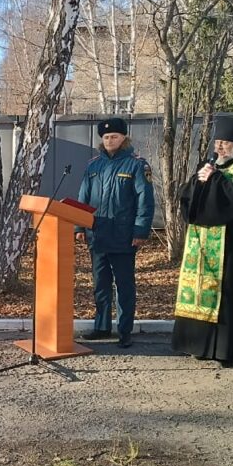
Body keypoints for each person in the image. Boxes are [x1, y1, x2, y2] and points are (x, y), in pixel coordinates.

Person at [171, 117, 233, 366]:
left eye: (225, 143)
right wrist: (197, 182)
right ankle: (198, 344)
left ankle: (228, 351)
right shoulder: (208, 164)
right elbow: (188, 197)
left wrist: (216, 181)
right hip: (201, 244)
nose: (219, 148)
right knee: (199, 291)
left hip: (232, 245)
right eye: (217, 143)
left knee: (228, 297)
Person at [75, 117, 155, 348]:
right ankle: (101, 327)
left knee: (124, 286)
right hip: (98, 235)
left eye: (114, 137)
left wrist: (140, 231)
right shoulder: (93, 165)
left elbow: (145, 201)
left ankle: (124, 330)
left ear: (123, 138)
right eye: (106, 137)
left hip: (124, 236)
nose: (110, 140)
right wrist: (79, 226)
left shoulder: (136, 165)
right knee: (100, 285)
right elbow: (83, 197)